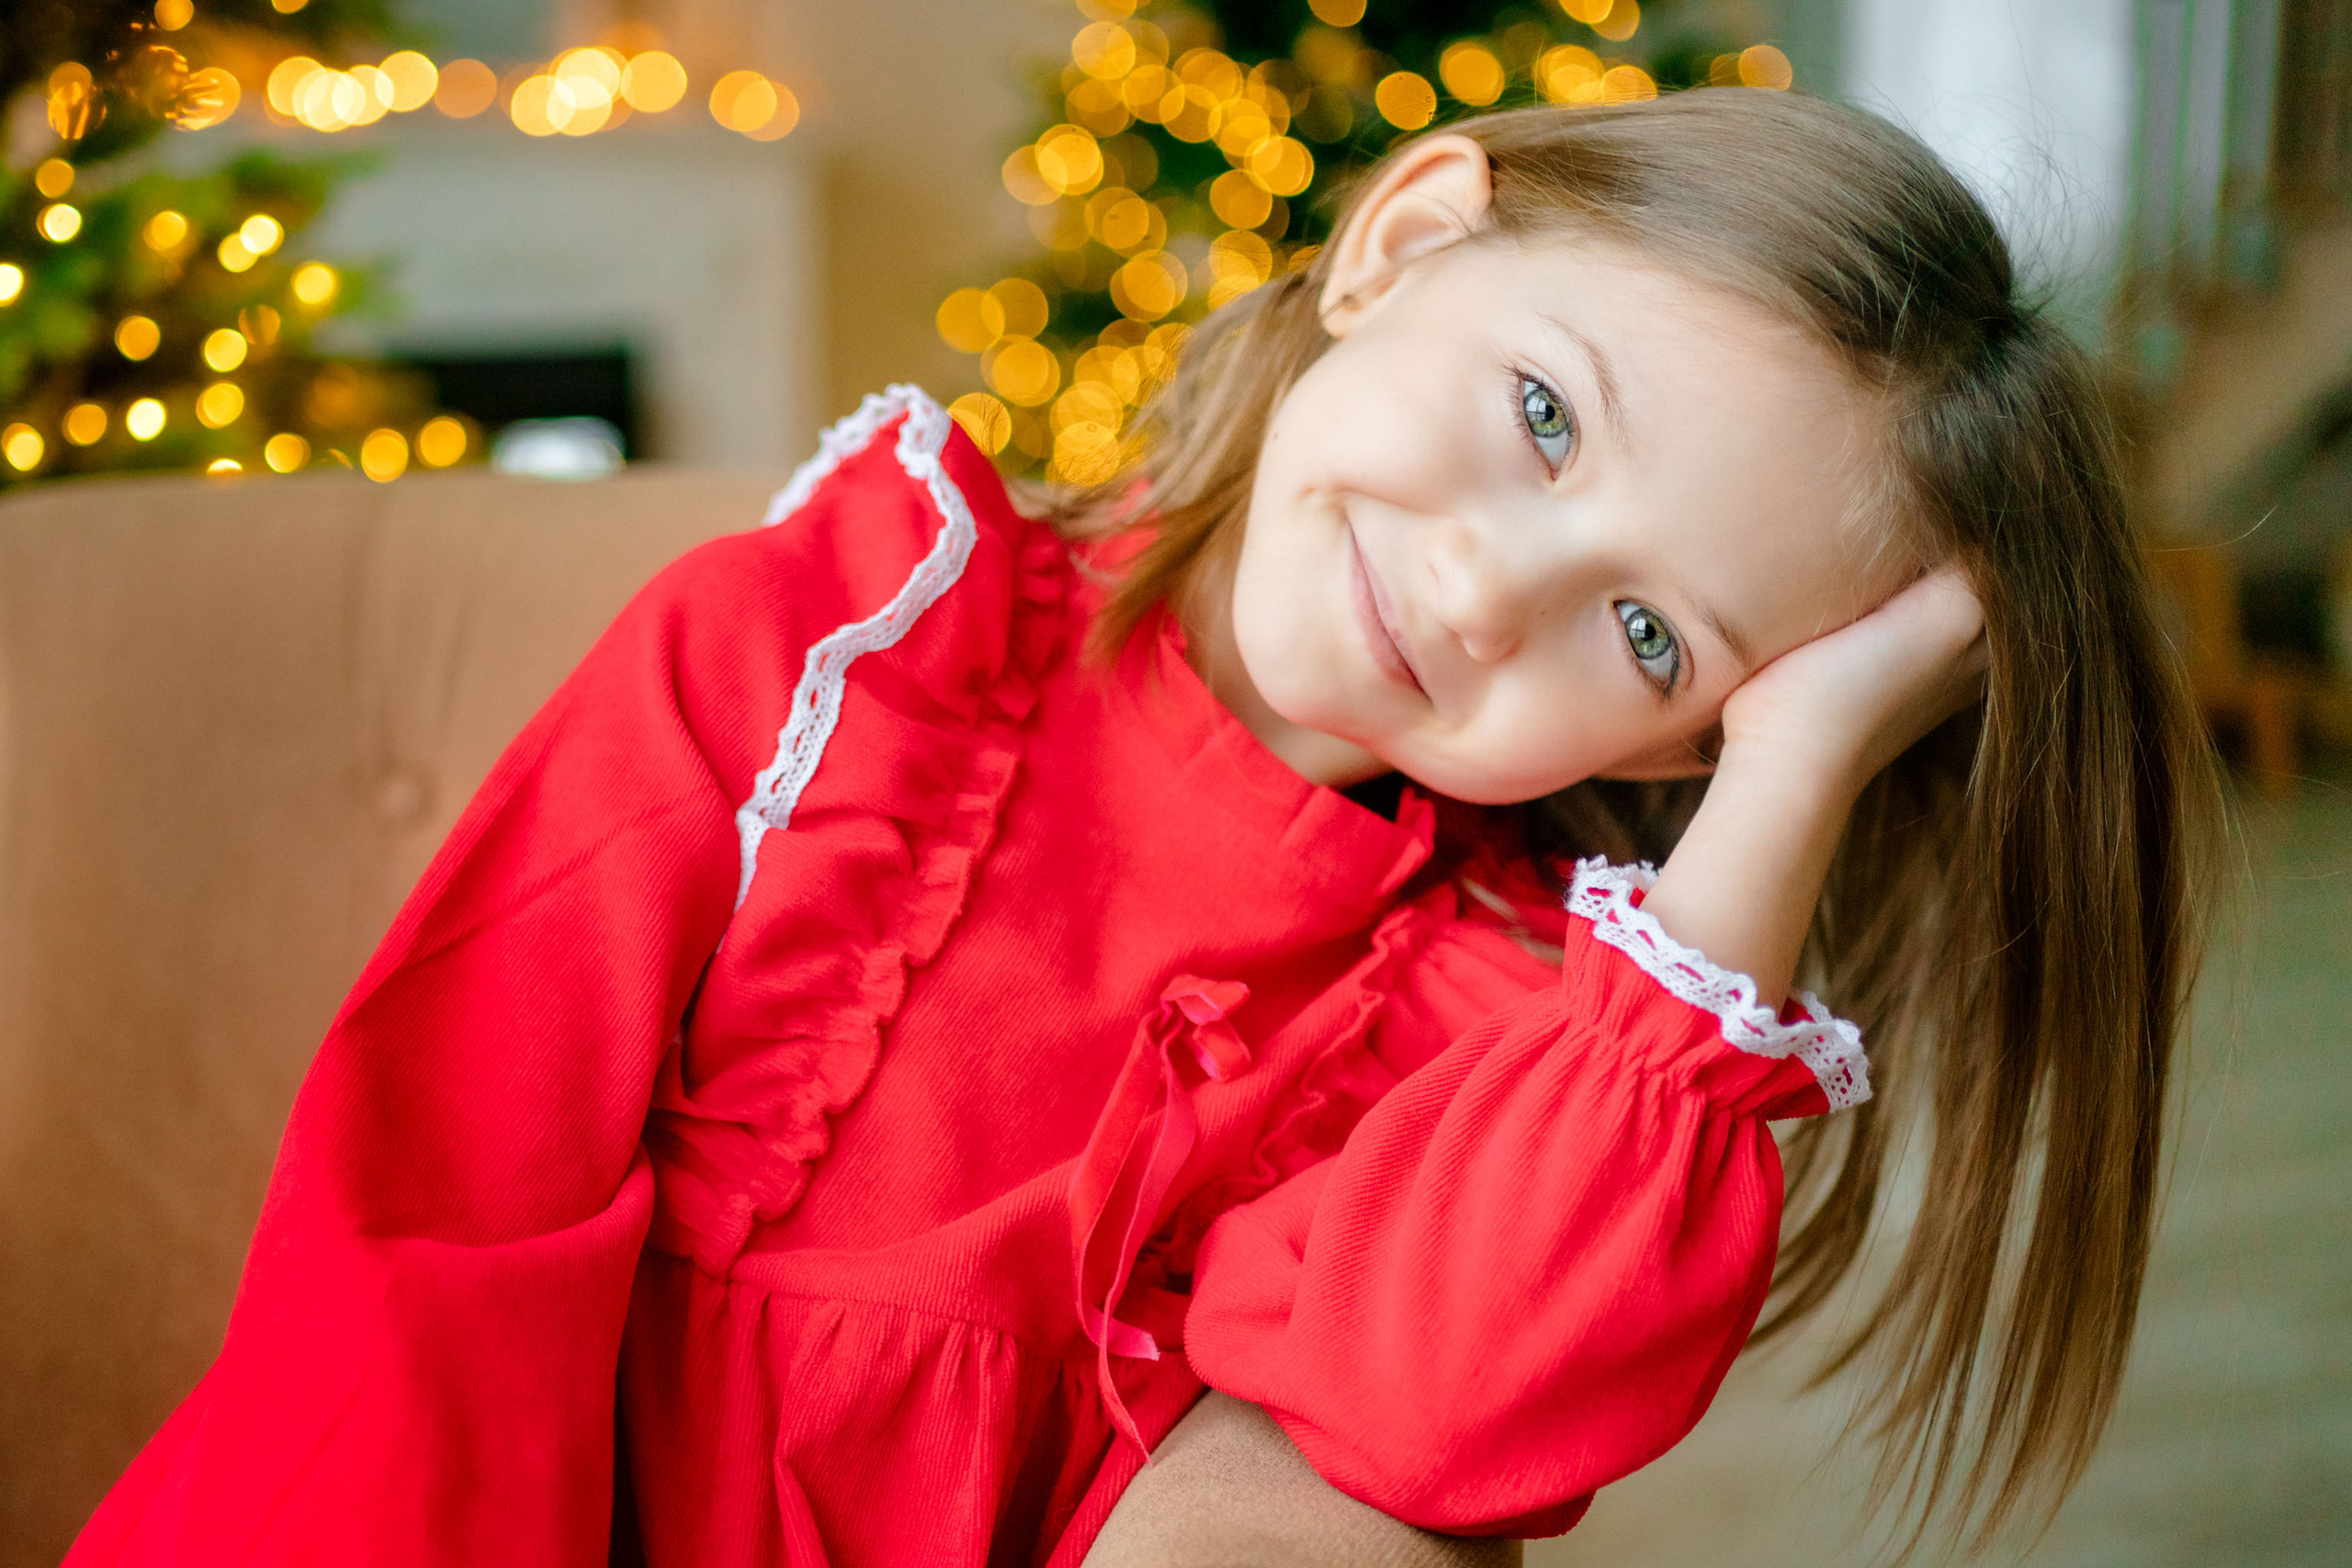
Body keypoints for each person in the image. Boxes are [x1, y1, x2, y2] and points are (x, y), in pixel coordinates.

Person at [66, 89, 2222, 1566]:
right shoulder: (840, 646)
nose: (1485, 593)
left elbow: (1445, 1410)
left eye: (1652, 632)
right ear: (1406, 239)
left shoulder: (1455, 1000)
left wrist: (1793, 769)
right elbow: (436, 1213)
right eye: (1542, 417)